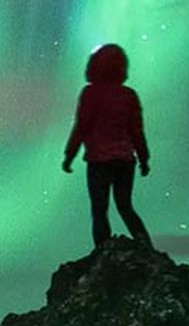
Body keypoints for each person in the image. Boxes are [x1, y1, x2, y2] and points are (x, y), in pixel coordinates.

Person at [61, 43, 152, 248]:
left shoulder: (91, 93)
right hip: (125, 160)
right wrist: (144, 158)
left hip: (98, 160)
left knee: (99, 210)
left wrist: (69, 155)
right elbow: (136, 130)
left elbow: (81, 126)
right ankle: (145, 246)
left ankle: (103, 252)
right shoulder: (129, 95)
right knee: (125, 206)